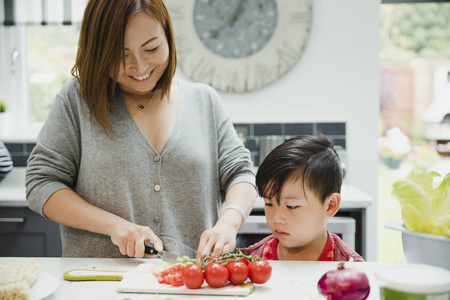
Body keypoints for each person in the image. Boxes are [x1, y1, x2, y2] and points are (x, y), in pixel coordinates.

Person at [25, 0, 256, 259]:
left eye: (152, 48)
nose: (140, 66)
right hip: (98, 283)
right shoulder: (77, 101)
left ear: (168, 36)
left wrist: (229, 222)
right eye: (120, 56)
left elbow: (241, 173)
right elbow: (41, 183)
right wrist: (114, 226)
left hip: (190, 283)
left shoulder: (204, 101)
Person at [239, 135, 364, 261]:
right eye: (269, 204)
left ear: (330, 205)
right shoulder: (250, 261)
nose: (277, 218)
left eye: (291, 206)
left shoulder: (350, 267)